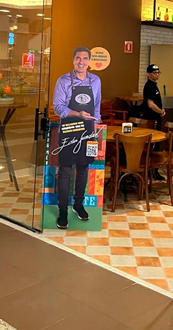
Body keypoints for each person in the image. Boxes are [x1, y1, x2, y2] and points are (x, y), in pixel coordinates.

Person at [53, 46, 101, 229]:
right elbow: (58, 107)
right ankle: (63, 211)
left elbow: (96, 106)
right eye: (78, 58)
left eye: (85, 58)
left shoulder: (95, 80)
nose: (81, 62)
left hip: (88, 130)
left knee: (83, 168)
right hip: (69, 129)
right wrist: (78, 114)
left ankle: (78, 205)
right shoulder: (63, 80)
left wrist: (96, 124)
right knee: (65, 171)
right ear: (73, 60)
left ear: (89, 61)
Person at [142, 64, 166, 130]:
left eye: (158, 72)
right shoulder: (149, 86)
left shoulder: (154, 85)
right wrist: (160, 111)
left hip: (157, 116)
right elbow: (151, 104)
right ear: (148, 74)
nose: (157, 74)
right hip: (151, 117)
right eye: (154, 73)